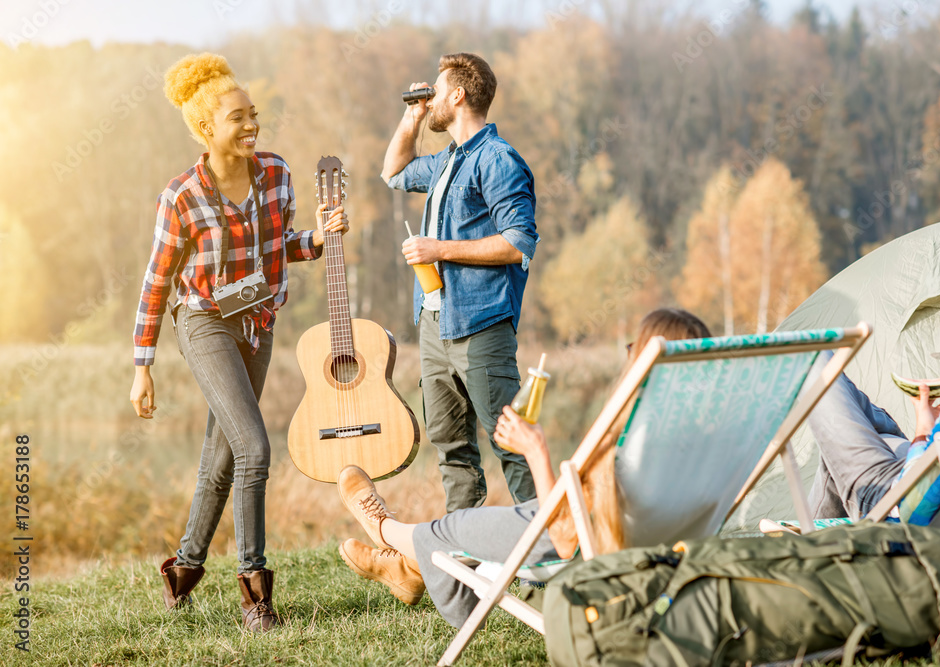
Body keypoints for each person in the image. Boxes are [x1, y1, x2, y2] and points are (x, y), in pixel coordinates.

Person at [128, 52, 348, 631]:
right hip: (205, 325)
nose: (251, 125)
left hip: (259, 323)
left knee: (223, 456)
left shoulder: (275, 175)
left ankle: (183, 570)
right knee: (254, 448)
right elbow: (155, 283)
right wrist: (142, 365)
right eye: (237, 118)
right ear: (206, 129)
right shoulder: (181, 196)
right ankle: (255, 595)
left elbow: (281, 249)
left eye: (253, 114)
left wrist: (319, 238)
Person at [336, 309, 712, 627]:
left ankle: (383, 528)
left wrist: (534, 448)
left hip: (561, 534)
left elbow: (564, 534)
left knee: (447, 531)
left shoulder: (631, 437)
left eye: (633, 349)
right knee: (471, 534)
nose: (627, 355)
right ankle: (407, 570)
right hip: (624, 537)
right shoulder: (705, 441)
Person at [381, 52, 539, 512]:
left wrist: (439, 249)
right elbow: (392, 174)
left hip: (481, 325)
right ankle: (466, 569)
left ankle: (547, 557)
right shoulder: (446, 160)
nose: (429, 98)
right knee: (451, 449)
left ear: (458, 94)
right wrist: (412, 117)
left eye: (435, 90)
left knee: (512, 446)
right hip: (434, 325)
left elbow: (518, 244)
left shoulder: (498, 160)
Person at [806, 277, 940, 530]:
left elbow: (915, 509)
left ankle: (807, 547)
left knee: (813, 356)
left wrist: (923, 428)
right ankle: (815, 547)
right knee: (875, 430)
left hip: (893, 505)